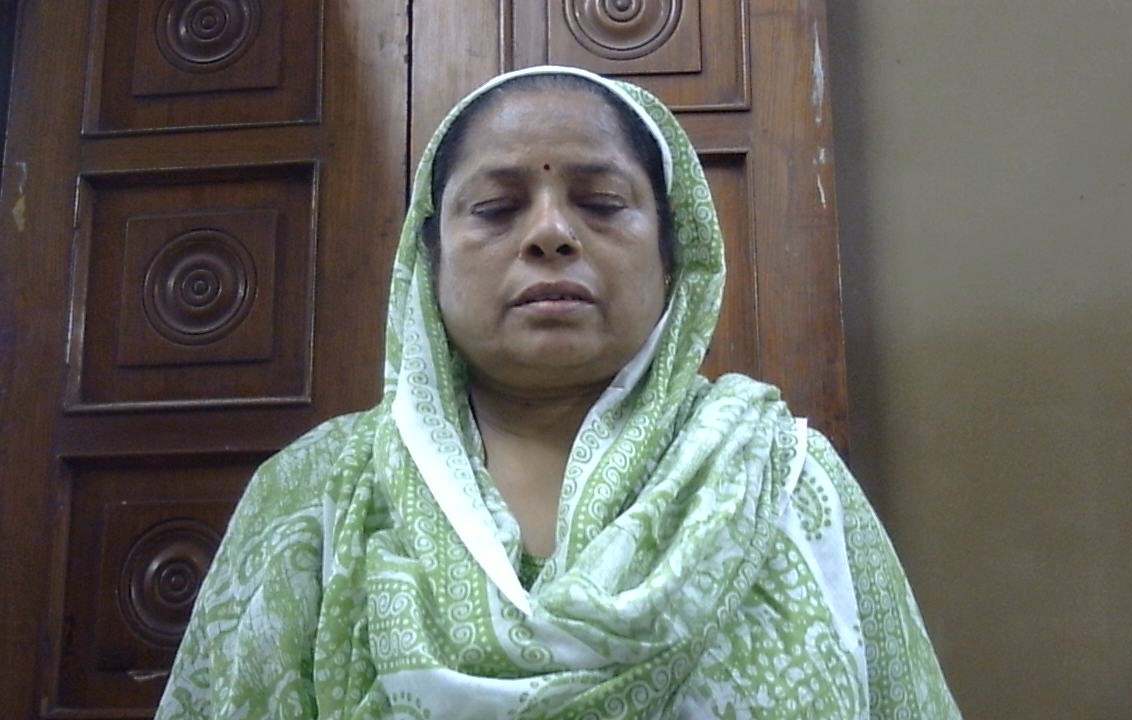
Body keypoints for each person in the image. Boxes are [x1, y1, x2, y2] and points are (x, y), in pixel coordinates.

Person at [157, 65, 961, 719]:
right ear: (428, 261)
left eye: (602, 204)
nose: (550, 233)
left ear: (674, 254)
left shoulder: (782, 479)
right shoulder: (315, 493)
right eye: (497, 208)